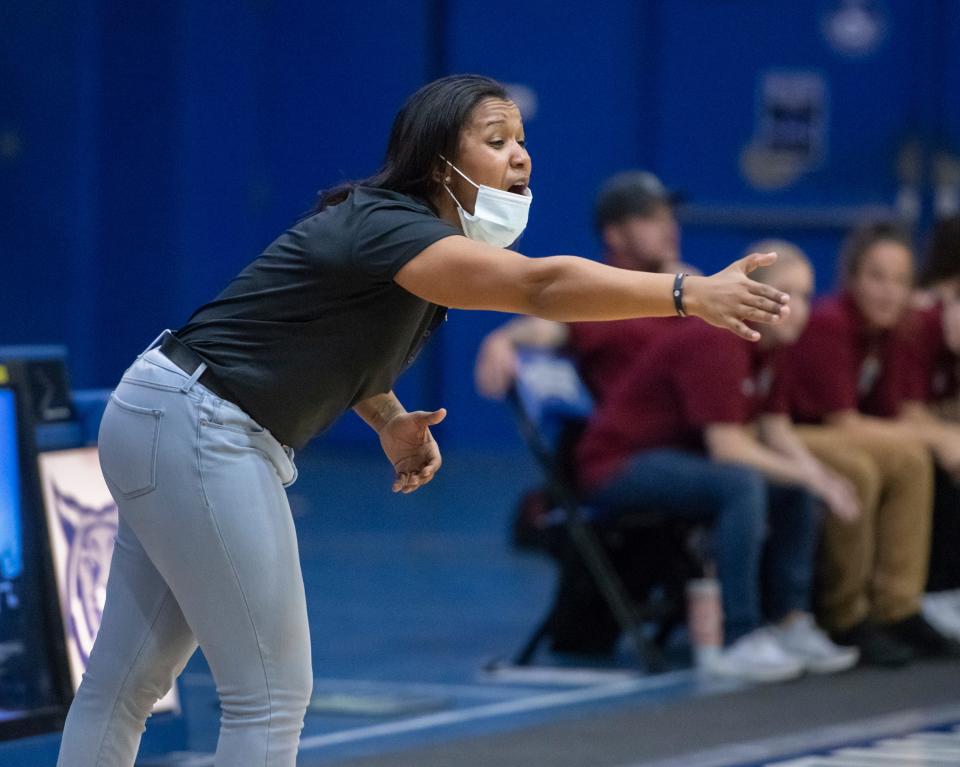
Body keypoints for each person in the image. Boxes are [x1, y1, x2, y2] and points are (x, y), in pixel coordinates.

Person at [55, 75, 789, 767]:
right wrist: (687, 292)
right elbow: (541, 284)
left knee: (125, 685)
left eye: (522, 139)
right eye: (496, 139)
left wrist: (388, 417)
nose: (521, 154)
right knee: (270, 693)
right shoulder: (391, 227)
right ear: (440, 163)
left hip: (162, 412)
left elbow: (320, 338)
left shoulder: (413, 243)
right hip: (197, 424)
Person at [574, 241, 858, 683]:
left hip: (682, 462)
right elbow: (729, 447)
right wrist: (813, 477)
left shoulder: (772, 344)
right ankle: (740, 636)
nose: (797, 307)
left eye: (805, 295)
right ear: (751, 295)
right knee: (742, 483)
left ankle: (791, 622)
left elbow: (776, 430)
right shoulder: (719, 338)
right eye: (785, 294)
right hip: (618, 466)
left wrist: (819, 477)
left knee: (796, 488)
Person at [787, 220, 960, 660]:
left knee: (911, 457)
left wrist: (937, 436)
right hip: (790, 432)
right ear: (852, 277)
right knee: (870, 464)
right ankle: (845, 614)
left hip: (836, 430)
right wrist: (938, 438)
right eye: (877, 277)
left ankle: (898, 606)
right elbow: (845, 422)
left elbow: (898, 413)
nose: (888, 292)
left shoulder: (891, 332)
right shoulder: (830, 324)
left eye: (900, 281)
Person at [474, 169, 697, 402]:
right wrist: (503, 339)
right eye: (651, 218)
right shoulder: (597, 294)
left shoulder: (688, 288)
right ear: (615, 234)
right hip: (639, 435)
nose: (669, 228)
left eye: (670, 216)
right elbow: (548, 326)